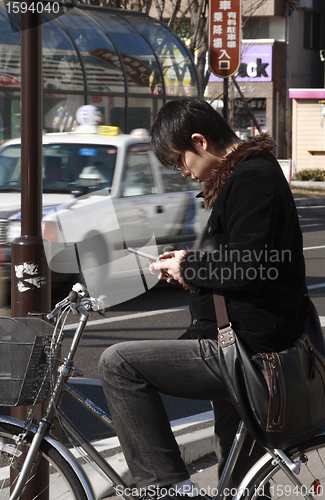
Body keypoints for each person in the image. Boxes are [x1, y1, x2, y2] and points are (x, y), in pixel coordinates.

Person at [98, 98, 307, 499]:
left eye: (180, 160)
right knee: (239, 484)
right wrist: (190, 263)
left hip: (245, 347)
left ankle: (165, 485)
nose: (183, 172)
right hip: (247, 337)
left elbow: (249, 265)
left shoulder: (251, 178)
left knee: (118, 364)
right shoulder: (251, 173)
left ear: (200, 141)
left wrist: (189, 269)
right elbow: (248, 259)